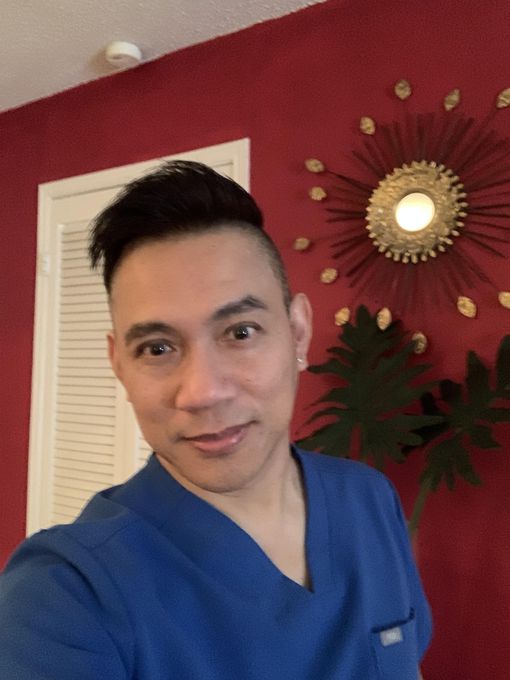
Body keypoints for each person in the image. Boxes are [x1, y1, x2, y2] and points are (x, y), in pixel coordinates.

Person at [0, 161, 431, 679]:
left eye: (240, 332)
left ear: (297, 333)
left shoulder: (369, 499)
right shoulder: (64, 598)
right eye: (157, 348)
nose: (203, 392)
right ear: (119, 365)